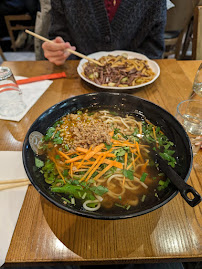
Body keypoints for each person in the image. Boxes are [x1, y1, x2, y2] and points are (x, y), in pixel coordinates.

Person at [42, 0, 167, 66]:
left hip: (137, 89)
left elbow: (153, 50)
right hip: (77, 82)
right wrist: (59, 51)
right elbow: (59, 36)